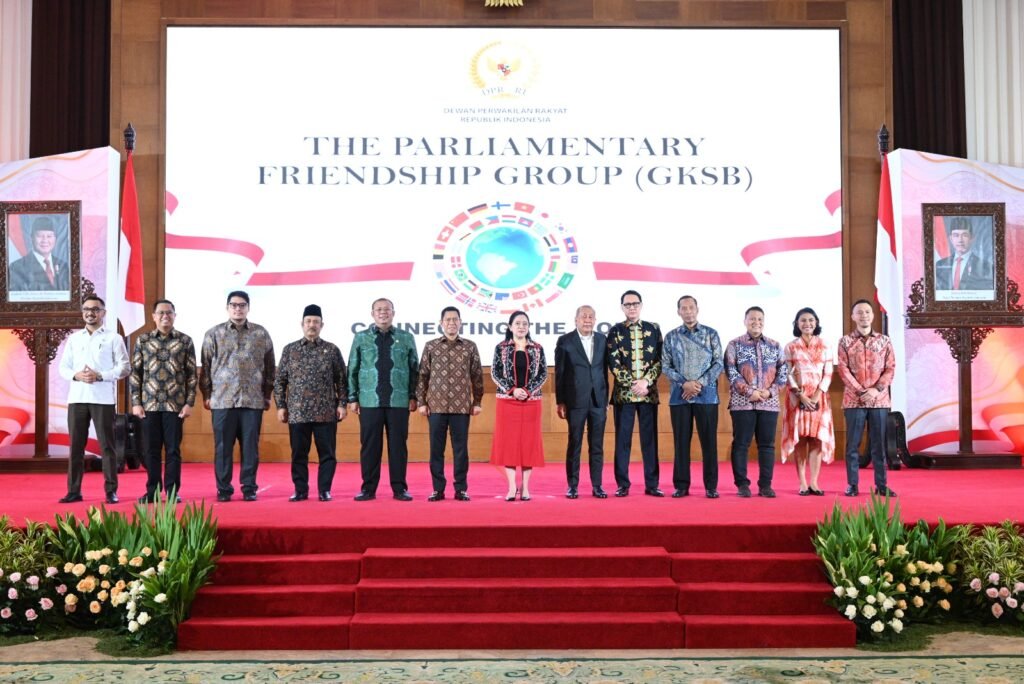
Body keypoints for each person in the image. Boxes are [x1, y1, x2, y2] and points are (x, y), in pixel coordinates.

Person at [200, 291, 275, 502]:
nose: (238, 309)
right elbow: (205, 366)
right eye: (233, 305)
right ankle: (224, 489)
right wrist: (207, 394)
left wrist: (267, 394)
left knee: (250, 448)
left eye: (242, 305)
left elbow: (270, 366)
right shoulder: (213, 334)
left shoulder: (260, 333)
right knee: (223, 448)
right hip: (222, 400)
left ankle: (249, 488)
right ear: (227, 308)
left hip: (252, 400)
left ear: (248, 308)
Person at [57, 295, 130, 504]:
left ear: (103, 313)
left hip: (103, 399)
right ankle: (74, 491)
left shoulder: (114, 338)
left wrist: (100, 375)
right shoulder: (74, 338)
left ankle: (111, 491)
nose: (90, 313)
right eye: (87, 309)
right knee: (76, 447)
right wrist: (77, 375)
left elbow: (125, 367)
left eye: (95, 309)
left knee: (107, 447)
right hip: (77, 398)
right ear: (83, 313)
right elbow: (63, 368)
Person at [274, 304, 348, 502]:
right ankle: (300, 490)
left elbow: (342, 380)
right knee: (299, 454)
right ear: (302, 324)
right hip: (297, 412)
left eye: (316, 322)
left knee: (328, 455)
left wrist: (342, 404)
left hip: (326, 412)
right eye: (308, 321)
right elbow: (280, 381)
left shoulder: (331, 350)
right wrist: (281, 406)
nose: (312, 325)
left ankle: (325, 490)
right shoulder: (290, 350)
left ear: (322, 325)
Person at [348, 298, 419, 501]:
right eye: (378, 309)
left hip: (399, 401)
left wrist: (413, 396)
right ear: (372, 314)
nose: (383, 312)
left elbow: (415, 369)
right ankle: (368, 489)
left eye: (387, 309)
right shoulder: (361, 337)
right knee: (370, 447)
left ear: (393, 313)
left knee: (398, 447)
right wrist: (352, 397)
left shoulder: (406, 337)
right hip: (369, 401)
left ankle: (400, 489)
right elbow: (352, 368)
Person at [130, 299, 197, 503]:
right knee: (150, 450)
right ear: (154, 317)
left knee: (173, 450)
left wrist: (189, 403)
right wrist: (136, 402)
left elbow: (192, 375)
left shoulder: (185, 341)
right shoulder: (143, 340)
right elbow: (136, 373)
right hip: (149, 405)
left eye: (169, 312)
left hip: (175, 406)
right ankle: (152, 492)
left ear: (175, 316)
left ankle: (172, 492)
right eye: (161, 313)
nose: (165, 316)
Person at [416, 306, 484, 502]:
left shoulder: (470, 346)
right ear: (441, 323)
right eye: (448, 319)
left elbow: (477, 376)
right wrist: (421, 402)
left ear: (460, 322)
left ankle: (460, 489)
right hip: (435, 407)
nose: (452, 323)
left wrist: (477, 401)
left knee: (461, 451)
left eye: (455, 319)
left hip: (461, 407)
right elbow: (422, 376)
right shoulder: (431, 346)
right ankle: (438, 489)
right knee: (436, 450)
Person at [662, 295, 723, 499]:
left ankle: (711, 486)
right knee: (681, 443)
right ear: (678, 311)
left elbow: (718, 363)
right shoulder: (671, 337)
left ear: (697, 309)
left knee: (709, 443)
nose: (688, 311)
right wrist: (684, 383)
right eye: (684, 308)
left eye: (691, 307)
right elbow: (665, 365)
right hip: (680, 397)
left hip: (707, 397)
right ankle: (681, 485)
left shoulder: (711, 334)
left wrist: (699, 384)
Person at [723, 306, 786, 499]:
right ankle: (742, 484)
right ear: (745, 321)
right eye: (752, 319)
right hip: (742, 403)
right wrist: (750, 391)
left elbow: (783, 373)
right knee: (741, 444)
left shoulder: (775, 345)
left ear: (764, 322)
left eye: (759, 319)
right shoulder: (734, 345)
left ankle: (765, 485)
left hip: (769, 403)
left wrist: (769, 392)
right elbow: (730, 371)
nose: (756, 322)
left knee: (767, 445)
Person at [837, 299, 897, 497]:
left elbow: (890, 368)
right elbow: (843, 369)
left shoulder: (884, 341)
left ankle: (881, 485)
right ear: (853, 316)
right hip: (854, 401)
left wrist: (875, 390)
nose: (864, 315)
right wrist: (861, 391)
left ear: (872, 316)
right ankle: (852, 485)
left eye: (867, 312)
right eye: (859, 312)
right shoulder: (845, 342)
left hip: (879, 401)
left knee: (879, 445)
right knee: (852, 445)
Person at [607, 290, 663, 497]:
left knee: (650, 441)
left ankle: (652, 484)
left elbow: (660, 360)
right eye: (627, 304)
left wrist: (646, 382)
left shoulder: (653, 329)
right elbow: (614, 363)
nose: (631, 307)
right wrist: (633, 384)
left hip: (648, 393)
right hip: (624, 395)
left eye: (635, 303)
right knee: (623, 441)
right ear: (622, 307)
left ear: (641, 305)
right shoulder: (615, 330)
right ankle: (623, 484)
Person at [490, 310, 547, 501]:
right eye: (517, 323)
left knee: (528, 444)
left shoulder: (537, 348)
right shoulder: (501, 348)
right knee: (509, 444)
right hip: (507, 401)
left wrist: (527, 391)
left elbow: (543, 374)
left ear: (529, 327)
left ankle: (525, 488)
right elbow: (495, 372)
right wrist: (513, 390)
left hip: (531, 403)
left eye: (525, 323)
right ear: (510, 327)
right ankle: (512, 487)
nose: (521, 327)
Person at [555, 305, 609, 499]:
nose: (587, 320)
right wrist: (560, 401)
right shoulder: (565, 341)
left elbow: (604, 371)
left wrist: (605, 400)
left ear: (595, 320)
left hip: (598, 400)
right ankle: (573, 486)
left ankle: (597, 485)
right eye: (584, 316)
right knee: (575, 443)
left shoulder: (602, 340)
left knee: (597, 445)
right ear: (576, 320)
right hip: (575, 400)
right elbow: (560, 373)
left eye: (591, 317)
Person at [781, 307, 836, 495]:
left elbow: (828, 373)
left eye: (811, 320)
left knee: (816, 439)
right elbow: (787, 374)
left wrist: (816, 395)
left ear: (816, 323)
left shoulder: (825, 345)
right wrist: (801, 395)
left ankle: (814, 482)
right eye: (803, 320)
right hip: (798, 398)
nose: (807, 324)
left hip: (819, 397)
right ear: (797, 324)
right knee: (801, 439)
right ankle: (803, 483)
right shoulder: (790, 347)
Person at [8, 216, 70, 291]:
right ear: (32, 238)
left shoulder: (63, 267)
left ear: (55, 239)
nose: (45, 240)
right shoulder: (17, 268)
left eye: (49, 236)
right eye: (40, 236)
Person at [934, 218, 993, 291]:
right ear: (951, 239)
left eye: (964, 235)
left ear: (972, 238)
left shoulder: (985, 267)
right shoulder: (940, 265)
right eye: (956, 235)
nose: (960, 240)